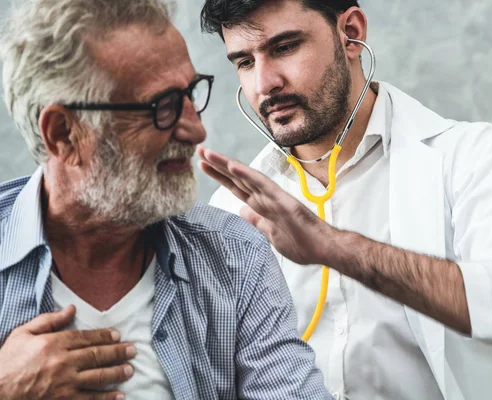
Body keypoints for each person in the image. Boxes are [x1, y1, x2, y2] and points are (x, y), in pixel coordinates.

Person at [198, 1, 492, 399]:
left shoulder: (472, 158)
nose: (264, 83)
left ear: (351, 33)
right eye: (243, 62)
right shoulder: (232, 212)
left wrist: (337, 249)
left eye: (285, 47)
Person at [0, 1, 332, 399]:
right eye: (162, 107)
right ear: (64, 134)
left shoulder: (236, 258)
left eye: (190, 94)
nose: (195, 130)